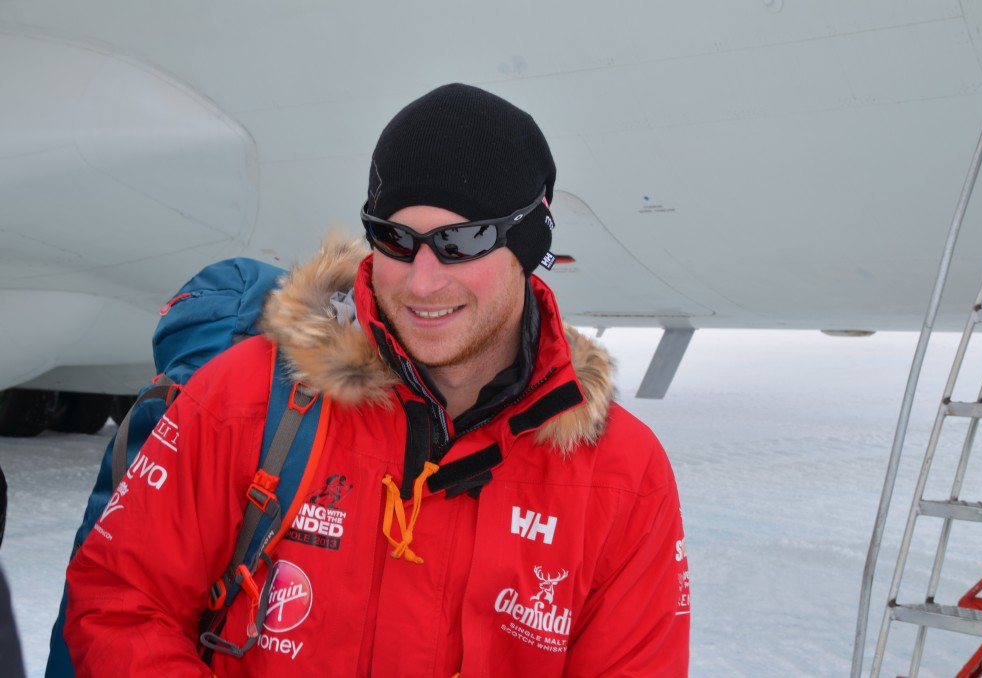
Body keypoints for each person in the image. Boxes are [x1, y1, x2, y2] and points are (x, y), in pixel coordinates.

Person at [64, 83, 690, 676]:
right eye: (394, 239)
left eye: (461, 241)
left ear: (527, 243)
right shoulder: (248, 398)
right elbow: (119, 601)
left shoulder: (622, 479)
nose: (421, 282)